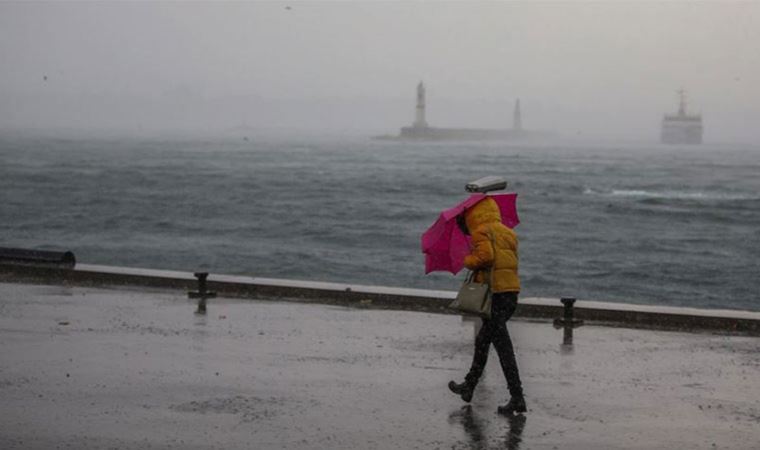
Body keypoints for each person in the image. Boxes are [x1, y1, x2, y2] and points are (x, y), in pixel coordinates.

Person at [448, 197, 526, 415]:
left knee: (503, 348)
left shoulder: (481, 231)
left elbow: (486, 257)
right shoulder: (508, 232)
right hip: (510, 293)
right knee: (483, 342)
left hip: (494, 296)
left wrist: (468, 260)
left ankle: (517, 397)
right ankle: (469, 386)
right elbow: (507, 260)